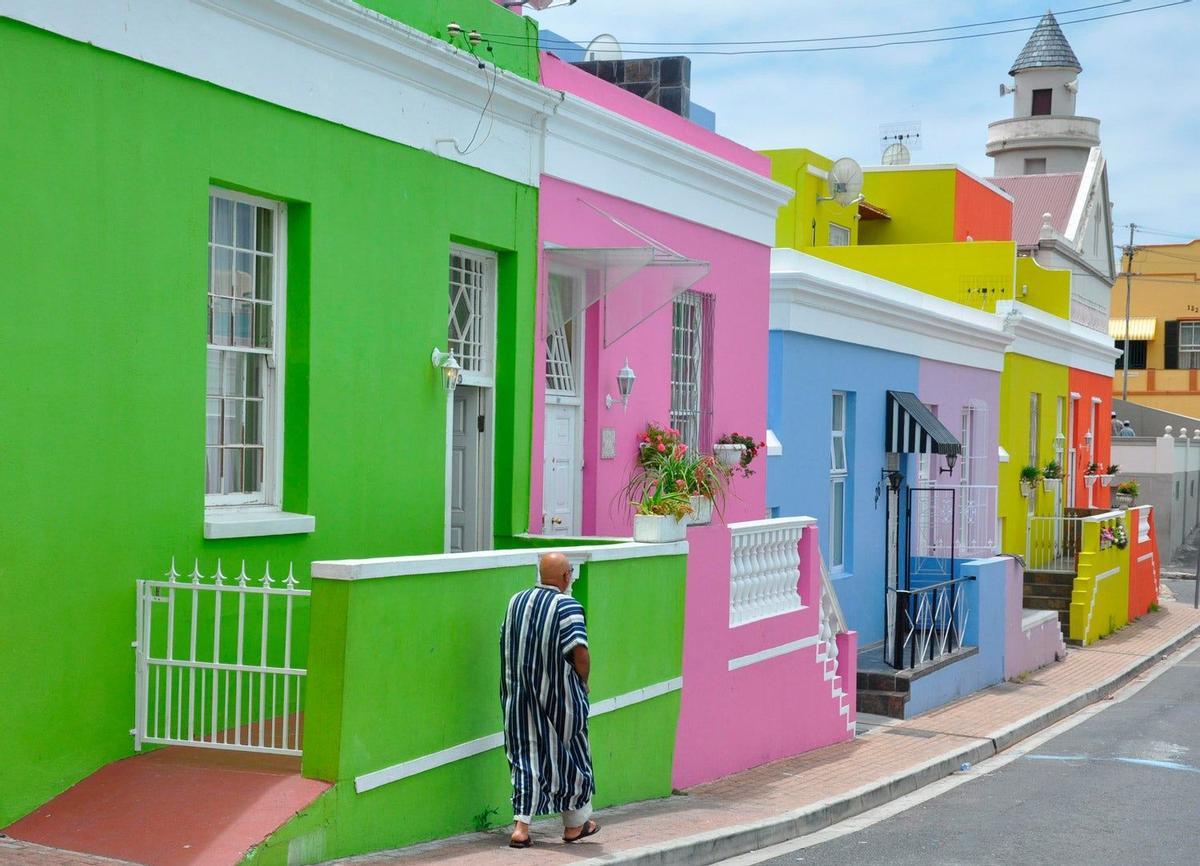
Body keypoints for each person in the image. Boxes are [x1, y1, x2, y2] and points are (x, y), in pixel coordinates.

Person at [500, 552, 599, 849]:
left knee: (525, 759)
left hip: (517, 698)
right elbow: (579, 651)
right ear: (567, 577)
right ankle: (574, 825)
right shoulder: (567, 606)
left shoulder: (516, 601)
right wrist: (583, 680)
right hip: (558, 700)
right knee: (573, 756)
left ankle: (521, 828)